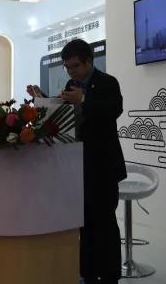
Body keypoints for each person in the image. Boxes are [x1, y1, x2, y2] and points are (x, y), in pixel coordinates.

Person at [27, 39, 126, 283]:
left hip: (102, 165)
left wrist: (83, 100)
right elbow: (62, 112)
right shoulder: (72, 85)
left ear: (89, 61)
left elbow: (113, 110)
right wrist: (42, 98)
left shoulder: (107, 82)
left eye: (75, 66)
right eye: (67, 67)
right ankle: (87, 273)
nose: (71, 72)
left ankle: (110, 276)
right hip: (77, 164)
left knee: (105, 224)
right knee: (84, 224)